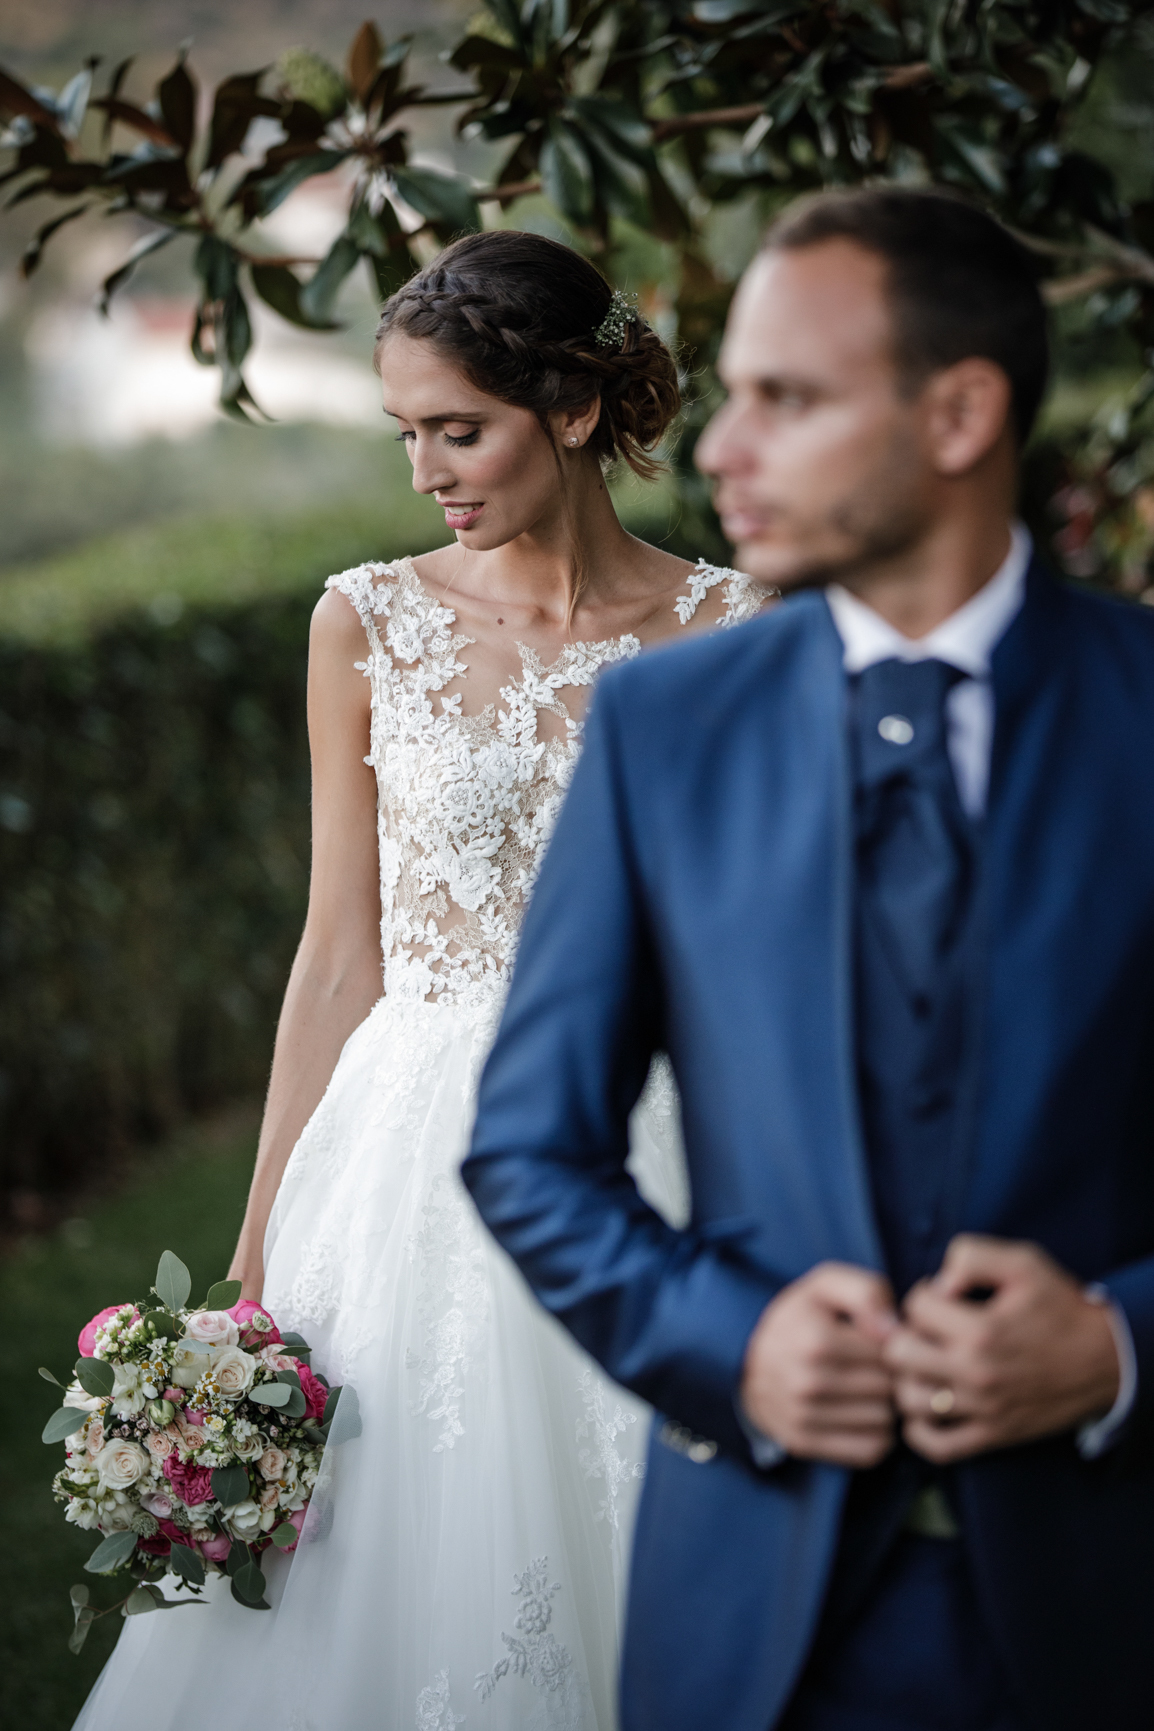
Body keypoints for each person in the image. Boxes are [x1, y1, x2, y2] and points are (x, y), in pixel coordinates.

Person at [463, 187, 1154, 1731]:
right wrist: (734, 1340)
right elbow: (528, 1150)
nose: (717, 448)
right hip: (755, 1626)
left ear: (959, 411)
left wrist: (1119, 1343)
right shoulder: (663, 732)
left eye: (786, 398)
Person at [71, 231, 766, 1731]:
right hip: (407, 1151)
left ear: (572, 409)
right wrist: (257, 1245)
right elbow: (339, 950)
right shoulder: (363, 622)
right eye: (407, 434)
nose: (426, 473)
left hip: (656, 1137)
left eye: (459, 429)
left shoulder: (736, 632)